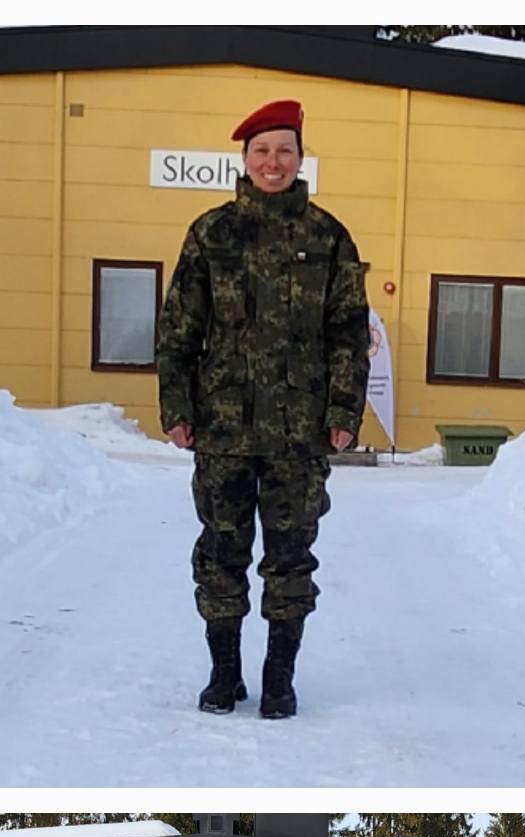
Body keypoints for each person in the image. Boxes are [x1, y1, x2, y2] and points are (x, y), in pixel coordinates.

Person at [157, 97, 370, 720]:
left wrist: (343, 412)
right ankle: (225, 675)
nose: (272, 162)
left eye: (284, 150)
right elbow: (178, 330)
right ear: (244, 159)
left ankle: (280, 678)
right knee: (221, 552)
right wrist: (177, 405)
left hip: (298, 433)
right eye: (261, 151)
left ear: (301, 157)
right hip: (222, 428)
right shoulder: (211, 233)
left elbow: (348, 333)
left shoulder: (328, 237)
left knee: (290, 556)